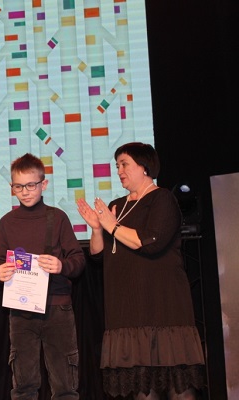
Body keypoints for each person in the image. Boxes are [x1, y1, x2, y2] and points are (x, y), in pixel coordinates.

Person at [76, 142, 206, 399]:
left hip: (162, 308)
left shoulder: (162, 199)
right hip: (128, 312)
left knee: (178, 389)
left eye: (124, 164)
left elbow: (150, 242)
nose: (119, 171)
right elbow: (99, 256)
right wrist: (97, 229)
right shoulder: (117, 205)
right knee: (142, 390)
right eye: (117, 166)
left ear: (144, 167)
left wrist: (112, 226)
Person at [0, 153, 85, 399]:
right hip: (20, 310)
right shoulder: (7, 222)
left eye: (31, 185)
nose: (25, 192)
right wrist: (0, 272)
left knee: (65, 386)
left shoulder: (57, 217)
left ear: (43, 184)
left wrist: (61, 265)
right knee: (23, 385)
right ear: (12, 188)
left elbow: (78, 260)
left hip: (57, 308)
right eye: (18, 186)